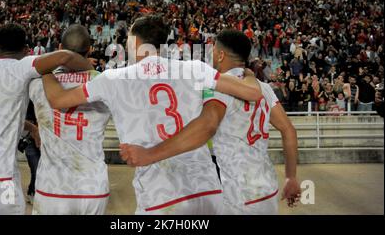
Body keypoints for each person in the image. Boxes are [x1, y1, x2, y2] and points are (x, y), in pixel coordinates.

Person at [42, 15, 262, 215]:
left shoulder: (112, 79)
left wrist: (42, 69)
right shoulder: (195, 68)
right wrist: (249, 74)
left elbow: (58, 100)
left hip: (161, 195)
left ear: (134, 42)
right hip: (207, 190)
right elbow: (253, 92)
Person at [120, 30, 301, 215]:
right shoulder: (263, 88)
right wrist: (291, 177)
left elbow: (207, 126)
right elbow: (288, 130)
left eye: (213, 50)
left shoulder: (219, 87)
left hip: (237, 196)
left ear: (221, 55)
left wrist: (150, 154)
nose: (211, 54)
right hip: (267, 191)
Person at [0, 23, 94, 215]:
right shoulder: (20, 66)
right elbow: (64, 56)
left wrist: (32, 129)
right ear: (26, 50)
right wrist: (90, 68)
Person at [28, 24, 111, 215]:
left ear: (58, 49)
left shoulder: (37, 84)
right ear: (89, 50)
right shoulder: (107, 84)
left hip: (52, 188)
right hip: (93, 186)